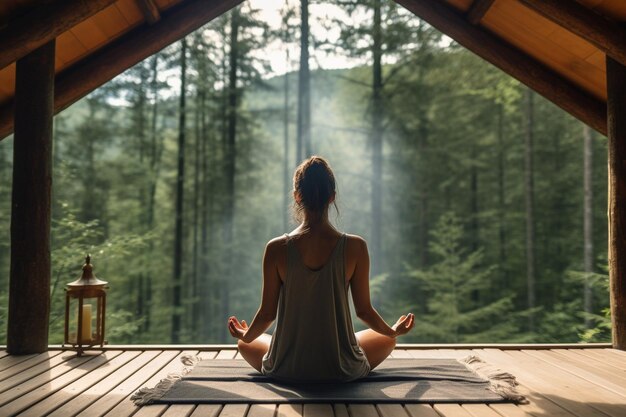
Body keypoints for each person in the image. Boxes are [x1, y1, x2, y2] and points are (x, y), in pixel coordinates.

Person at [227, 156, 414, 382]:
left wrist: (246, 335)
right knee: (386, 340)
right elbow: (364, 311)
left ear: (297, 196)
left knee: (244, 343)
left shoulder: (276, 248)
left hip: (288, 368)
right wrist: (393, 331)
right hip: (340, 369)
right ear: (332, 197)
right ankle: (341, 346)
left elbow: (267, 314)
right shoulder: (355, 247)